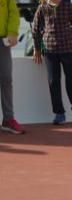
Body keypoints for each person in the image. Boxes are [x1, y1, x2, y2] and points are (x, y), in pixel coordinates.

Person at [31, 0, 72, 126]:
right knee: (53, 81)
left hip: (67, 49)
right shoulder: (42, 7)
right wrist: (37, 48)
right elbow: (35, 28)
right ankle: (59, 113)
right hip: (49, 50)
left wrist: (70, 41)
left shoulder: (67, 5)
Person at [0, 0, 25, 134]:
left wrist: (12, 32)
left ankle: (8, 120)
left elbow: (13, 12)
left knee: (6, 78)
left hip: (2, 40)